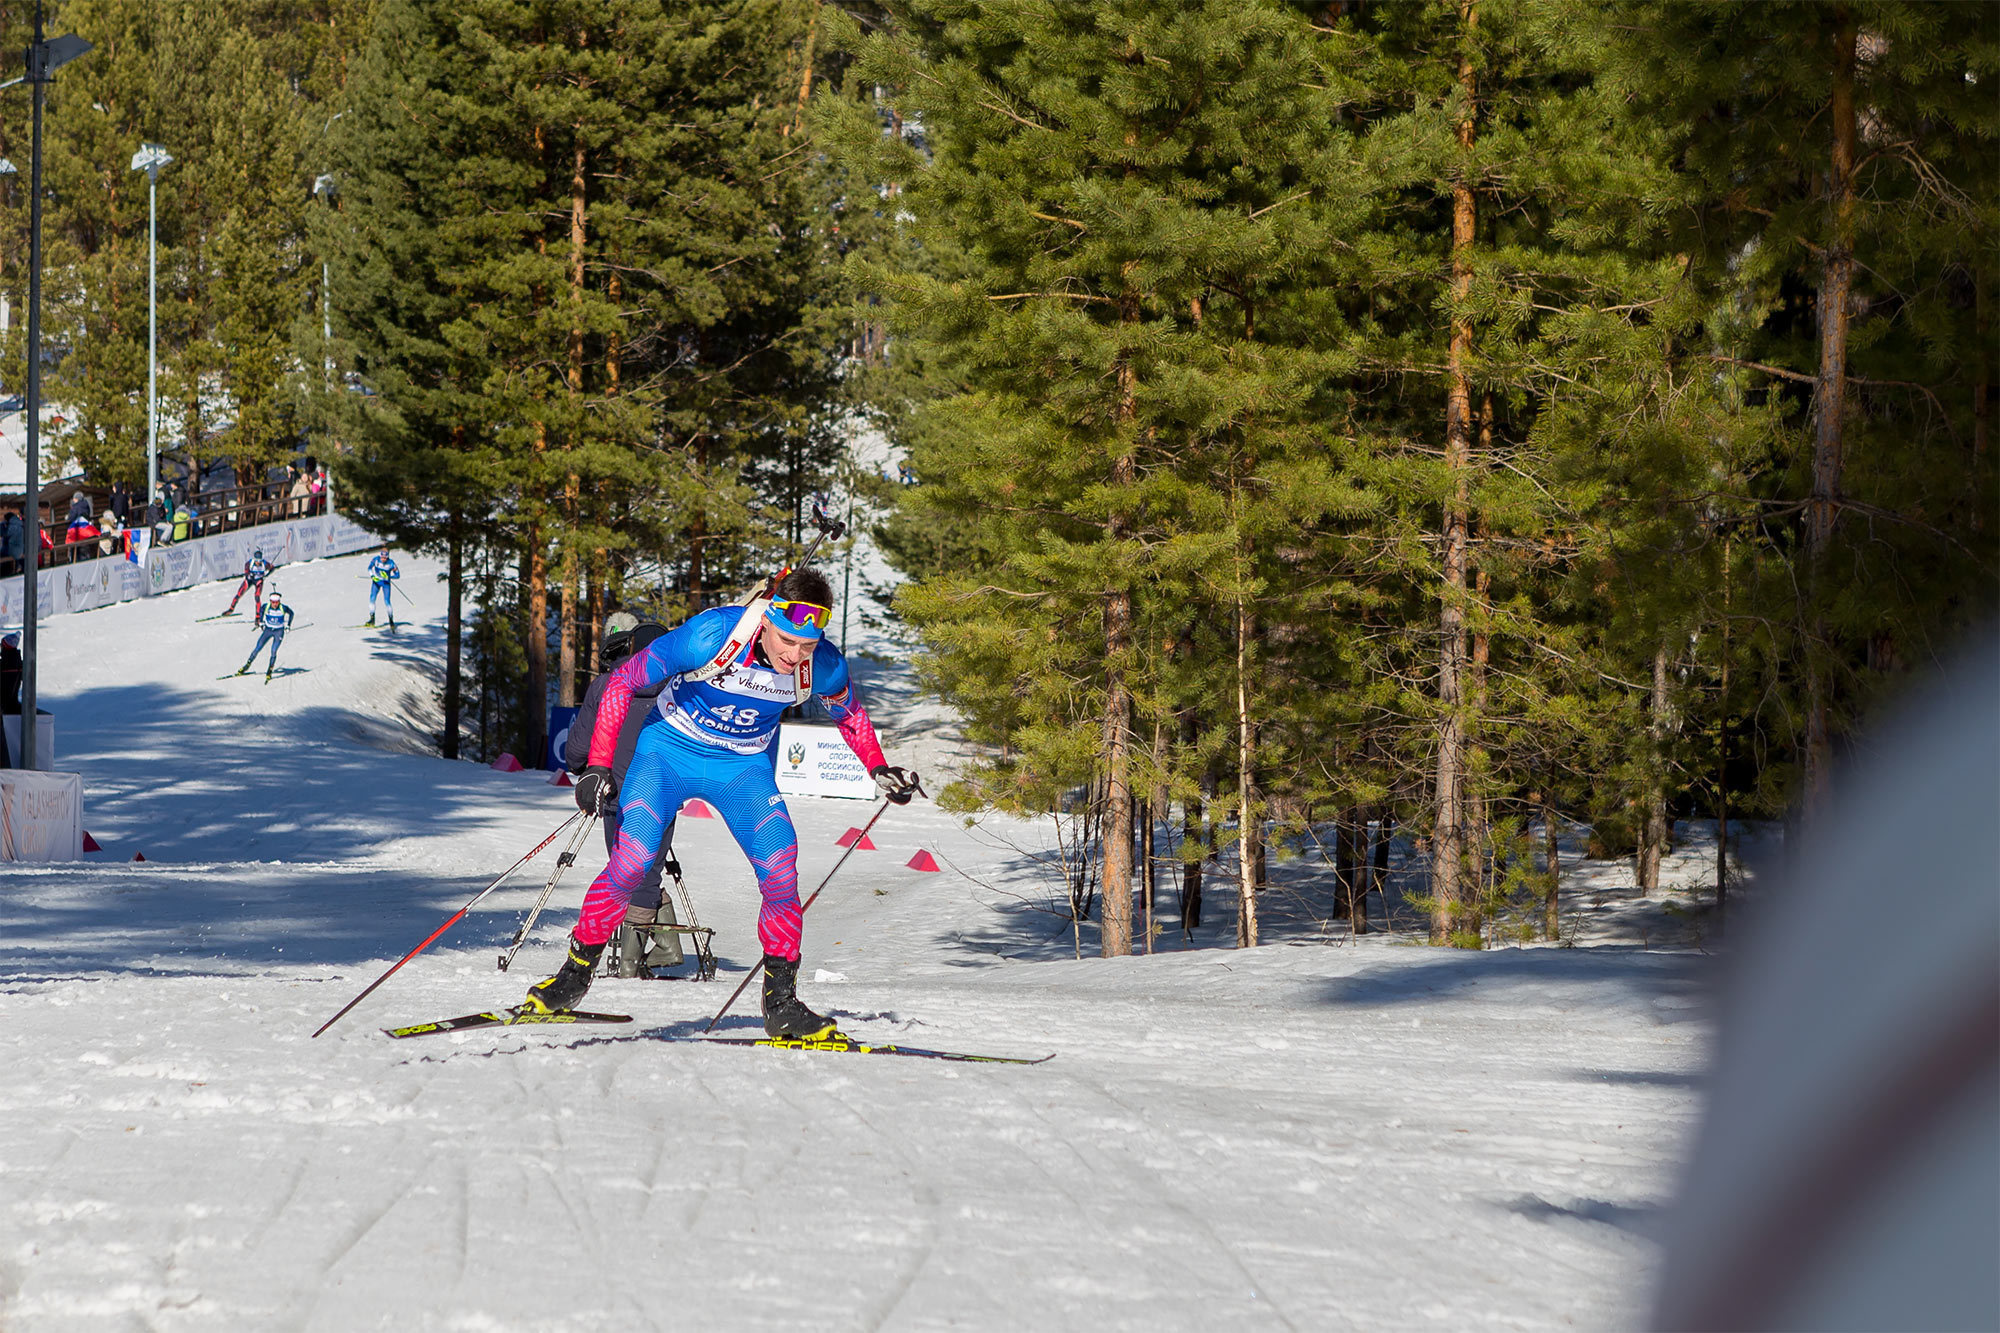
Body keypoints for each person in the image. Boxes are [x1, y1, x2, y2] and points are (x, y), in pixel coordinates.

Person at [523, 568, 921, 1037]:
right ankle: (572, 977)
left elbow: (850, 714)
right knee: (632, 862)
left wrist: (878, 768)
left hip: (742, 768)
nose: (794, 656)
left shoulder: (824, 665)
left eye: (807, 646)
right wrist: (598, 765)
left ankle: (782, 1004)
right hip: (667, 753)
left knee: (781, 869)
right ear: (767, 619)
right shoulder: (713, 634)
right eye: (786, 641)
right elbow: (622, 680)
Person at [564, 611, 684, 978]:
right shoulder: (679, 687)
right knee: (647, 871)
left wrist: (589, 772)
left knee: (630, 872)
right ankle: (665, 947)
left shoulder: (605, 686)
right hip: (664, 791)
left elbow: (576, 752)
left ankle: (630, 963)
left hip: (616, 793)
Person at [237, 589, 295, 679]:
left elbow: (291, 613)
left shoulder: (283, 608)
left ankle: (270, 670)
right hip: (268, 630)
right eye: (273, 602)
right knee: (258, 648)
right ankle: (247, 665)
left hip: (279, 631)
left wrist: (288, 625)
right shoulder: (266, 606)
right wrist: (261, 622)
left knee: (273, 651)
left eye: (276, 602)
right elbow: (261, 611)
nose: (275, 604)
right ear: (270, 601)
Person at [224, 549, 275, 615]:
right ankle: (231, 609)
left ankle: (258, 615)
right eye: (257, 560)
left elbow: (272, 568)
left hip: (258, 581)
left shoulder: (264, 564)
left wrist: (266, 575)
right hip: (249, 580)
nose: (258, 562)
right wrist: (249, 575)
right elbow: (246, 573)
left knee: (257, 596)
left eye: (259, 561)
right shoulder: (249, 563)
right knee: (239, 594)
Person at [365, 544, 399, 627]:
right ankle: (372, 619)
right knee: (372, 599)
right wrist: (372, 576)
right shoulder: (376, 560)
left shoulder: (391, 563)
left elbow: (397, 575)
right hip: (376, 582)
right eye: (382, 557)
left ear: (387, 557)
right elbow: (369, 568)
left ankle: (391, 620)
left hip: (386, 584)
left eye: (385, 558)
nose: (383, 559)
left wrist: (389, 577)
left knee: (387, 601)